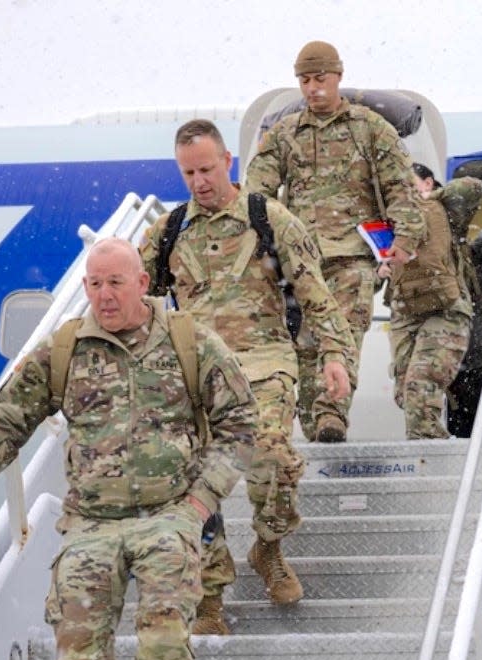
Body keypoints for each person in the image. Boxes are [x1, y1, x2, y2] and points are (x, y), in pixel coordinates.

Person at [0, 238, 255, 660]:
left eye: (116, 282)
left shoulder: (190, 341)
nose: (105, 295)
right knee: (78, 650)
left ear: (143, 283)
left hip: (169, 515)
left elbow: (241, 424)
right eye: (95, 283)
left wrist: (201, 502)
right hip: (91, 521)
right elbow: (9, 415)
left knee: (164, 637)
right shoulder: (64, 349)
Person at [140, 119, 355, 624]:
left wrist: (335, 357)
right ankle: (210, 595)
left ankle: (268, 546)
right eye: (188, 172)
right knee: (194, 481)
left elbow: (317, 297)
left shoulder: (269, 219)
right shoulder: (169, 231)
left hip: (264, 361)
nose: (199, 182)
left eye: (207, 169)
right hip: (196, 371)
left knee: (274, 459)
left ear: (228, 163)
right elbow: (135, 305)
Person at [245, 40, 425, 443]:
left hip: (352, 256)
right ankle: (316, 426)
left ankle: (332, 414)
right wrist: (257, 240)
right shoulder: (285, 134)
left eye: (320, 78)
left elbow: (400, 187)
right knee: (308, 347)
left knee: (342, 334)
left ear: (338, 77)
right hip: (302, 259)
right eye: (305, 80)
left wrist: (406, 238)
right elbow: (258, 192)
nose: (313, 88)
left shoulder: (369, 128)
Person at [379, 163, 482, 438]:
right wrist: (380, 267)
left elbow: (473, 187)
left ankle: (427, 453)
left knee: (420, 387)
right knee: (405, 393)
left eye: (410, 182)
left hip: (445, 308)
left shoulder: (446, 210)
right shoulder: (390, 220)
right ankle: (431, 442)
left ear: (428, 183)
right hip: (405, 312)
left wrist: (426, 199)